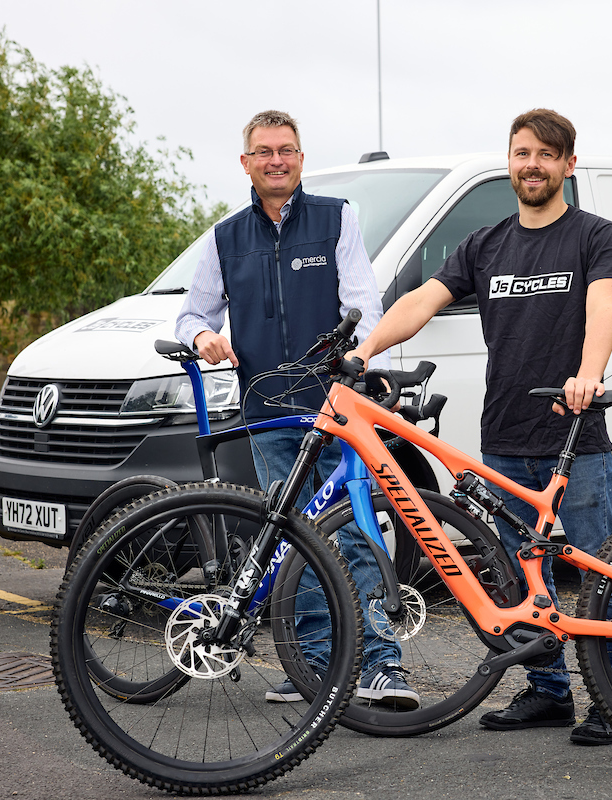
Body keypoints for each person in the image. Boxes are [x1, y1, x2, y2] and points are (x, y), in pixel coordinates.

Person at [350, 109, 612, 744]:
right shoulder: (486, 244)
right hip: (504, 438)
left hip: (574, 435)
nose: (530, 165)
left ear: (566, 163)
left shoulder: (596, 236)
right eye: (520, 153)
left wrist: (588, 375)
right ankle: (548, 693)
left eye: (544, 154)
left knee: (599, 571)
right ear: (509, 161)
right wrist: (365, 351)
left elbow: (604, 305)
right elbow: (421, 301)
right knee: (517, 577)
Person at [175, 110, 419, 708]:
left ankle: (381, 665)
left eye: (286, 150)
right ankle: (314, 667)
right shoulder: (224, 237)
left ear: (301, 158)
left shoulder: (337, 219)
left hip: (336, 407)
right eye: (263, 151)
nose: (275, 160)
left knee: (356, 531)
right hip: (268, 411)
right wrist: (203, 337)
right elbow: (191, 314)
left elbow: (363, 301)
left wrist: (361, 363)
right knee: (292, 541)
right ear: (246, 163)